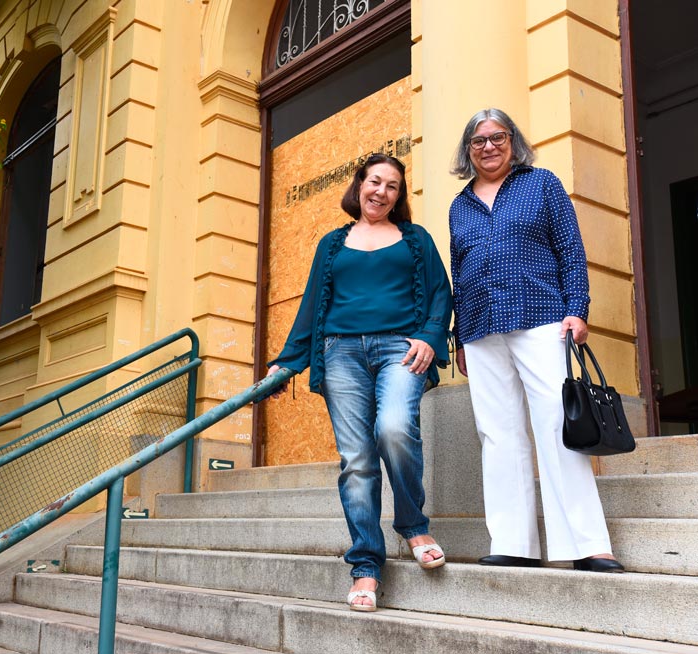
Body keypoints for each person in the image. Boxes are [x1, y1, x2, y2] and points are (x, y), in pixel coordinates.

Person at [265, 154, 453, 611]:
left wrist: (430, 337)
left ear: (398, 197)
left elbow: (439, 294)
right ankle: (366, 565)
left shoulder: (415, 239)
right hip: (340, 353)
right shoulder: (332, 244)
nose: (381, 192)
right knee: (357, 461)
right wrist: (286, 363)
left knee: (393, 428)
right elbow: (312, 306)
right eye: (375, 182)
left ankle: (412, 524)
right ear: (359, 185)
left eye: (392, 186)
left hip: (399, 348)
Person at [448, 108, 624, 573]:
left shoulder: (541, 183)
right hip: (481, 328)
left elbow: (571, 249)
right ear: (468, 150)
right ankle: (514, 542)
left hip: (541, 316)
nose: (488, 146)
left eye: (497, 137)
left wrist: (576, 309)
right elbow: (458, 274)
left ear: (513, 141)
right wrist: (458, 339)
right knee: (498, 434)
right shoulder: (459, 205)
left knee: (557, 427)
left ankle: (588, 545)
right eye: (478, 140)